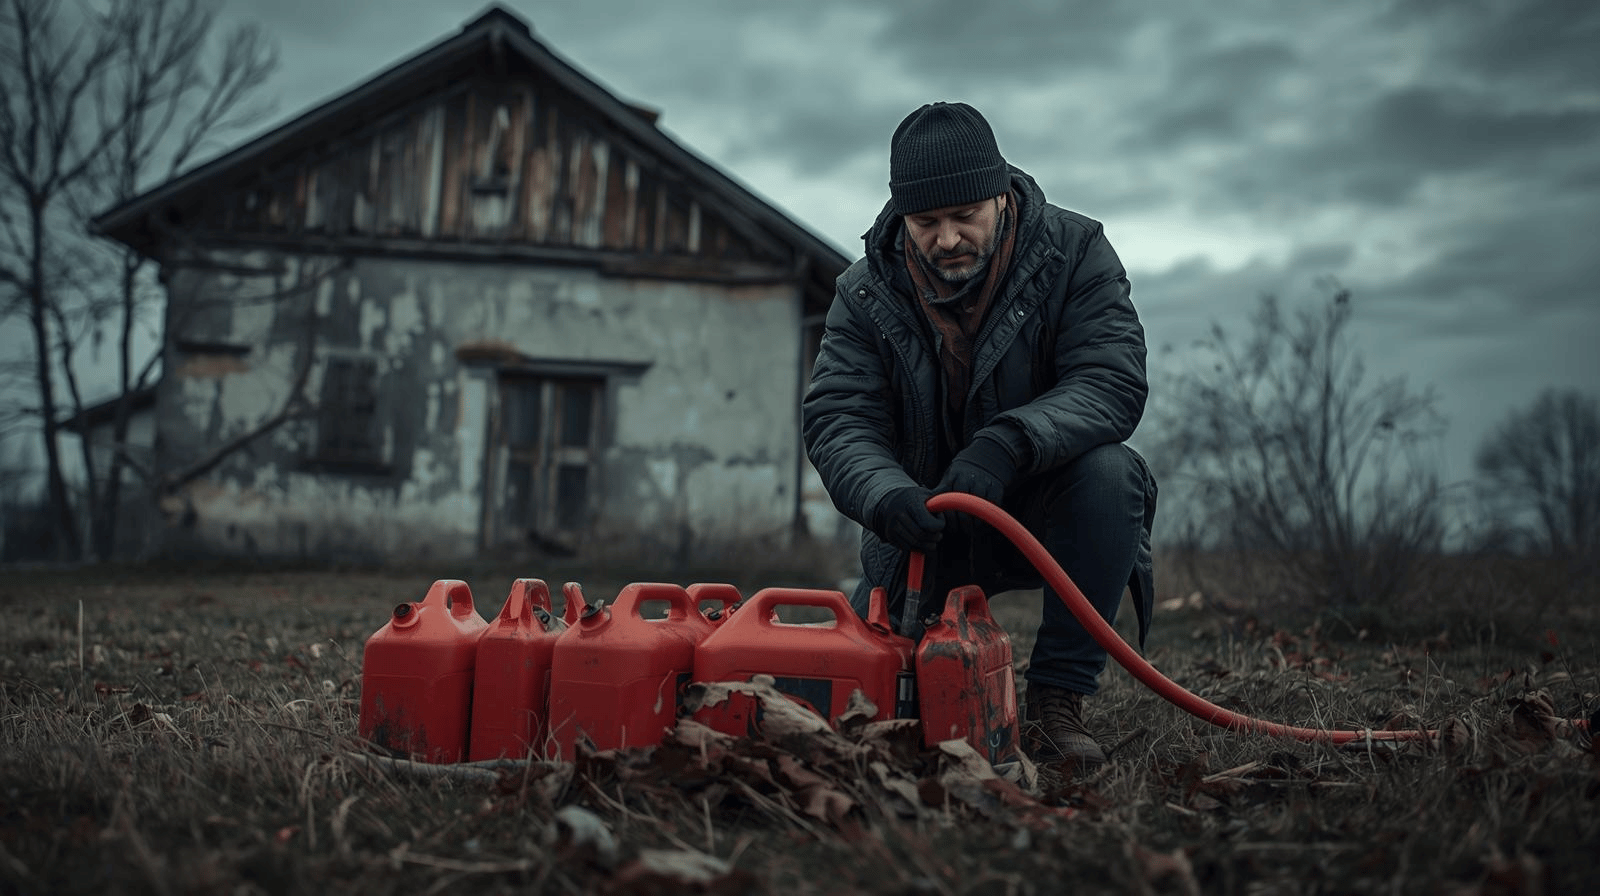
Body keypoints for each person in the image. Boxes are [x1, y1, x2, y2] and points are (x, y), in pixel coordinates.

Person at [802, 101, 1157, 770]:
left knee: (1114, 473)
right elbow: (838, 416)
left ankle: (1057, 700)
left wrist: (1010, 443)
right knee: (882, 712)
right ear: (901, 217)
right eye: (926, 222)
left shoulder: (1077, 253)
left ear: (1001, 195)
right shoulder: (864, 291)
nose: (946, 239)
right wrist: (885, 497)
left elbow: (1111, 381)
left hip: (1046, 514)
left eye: (964, 215)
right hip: (924, 522)